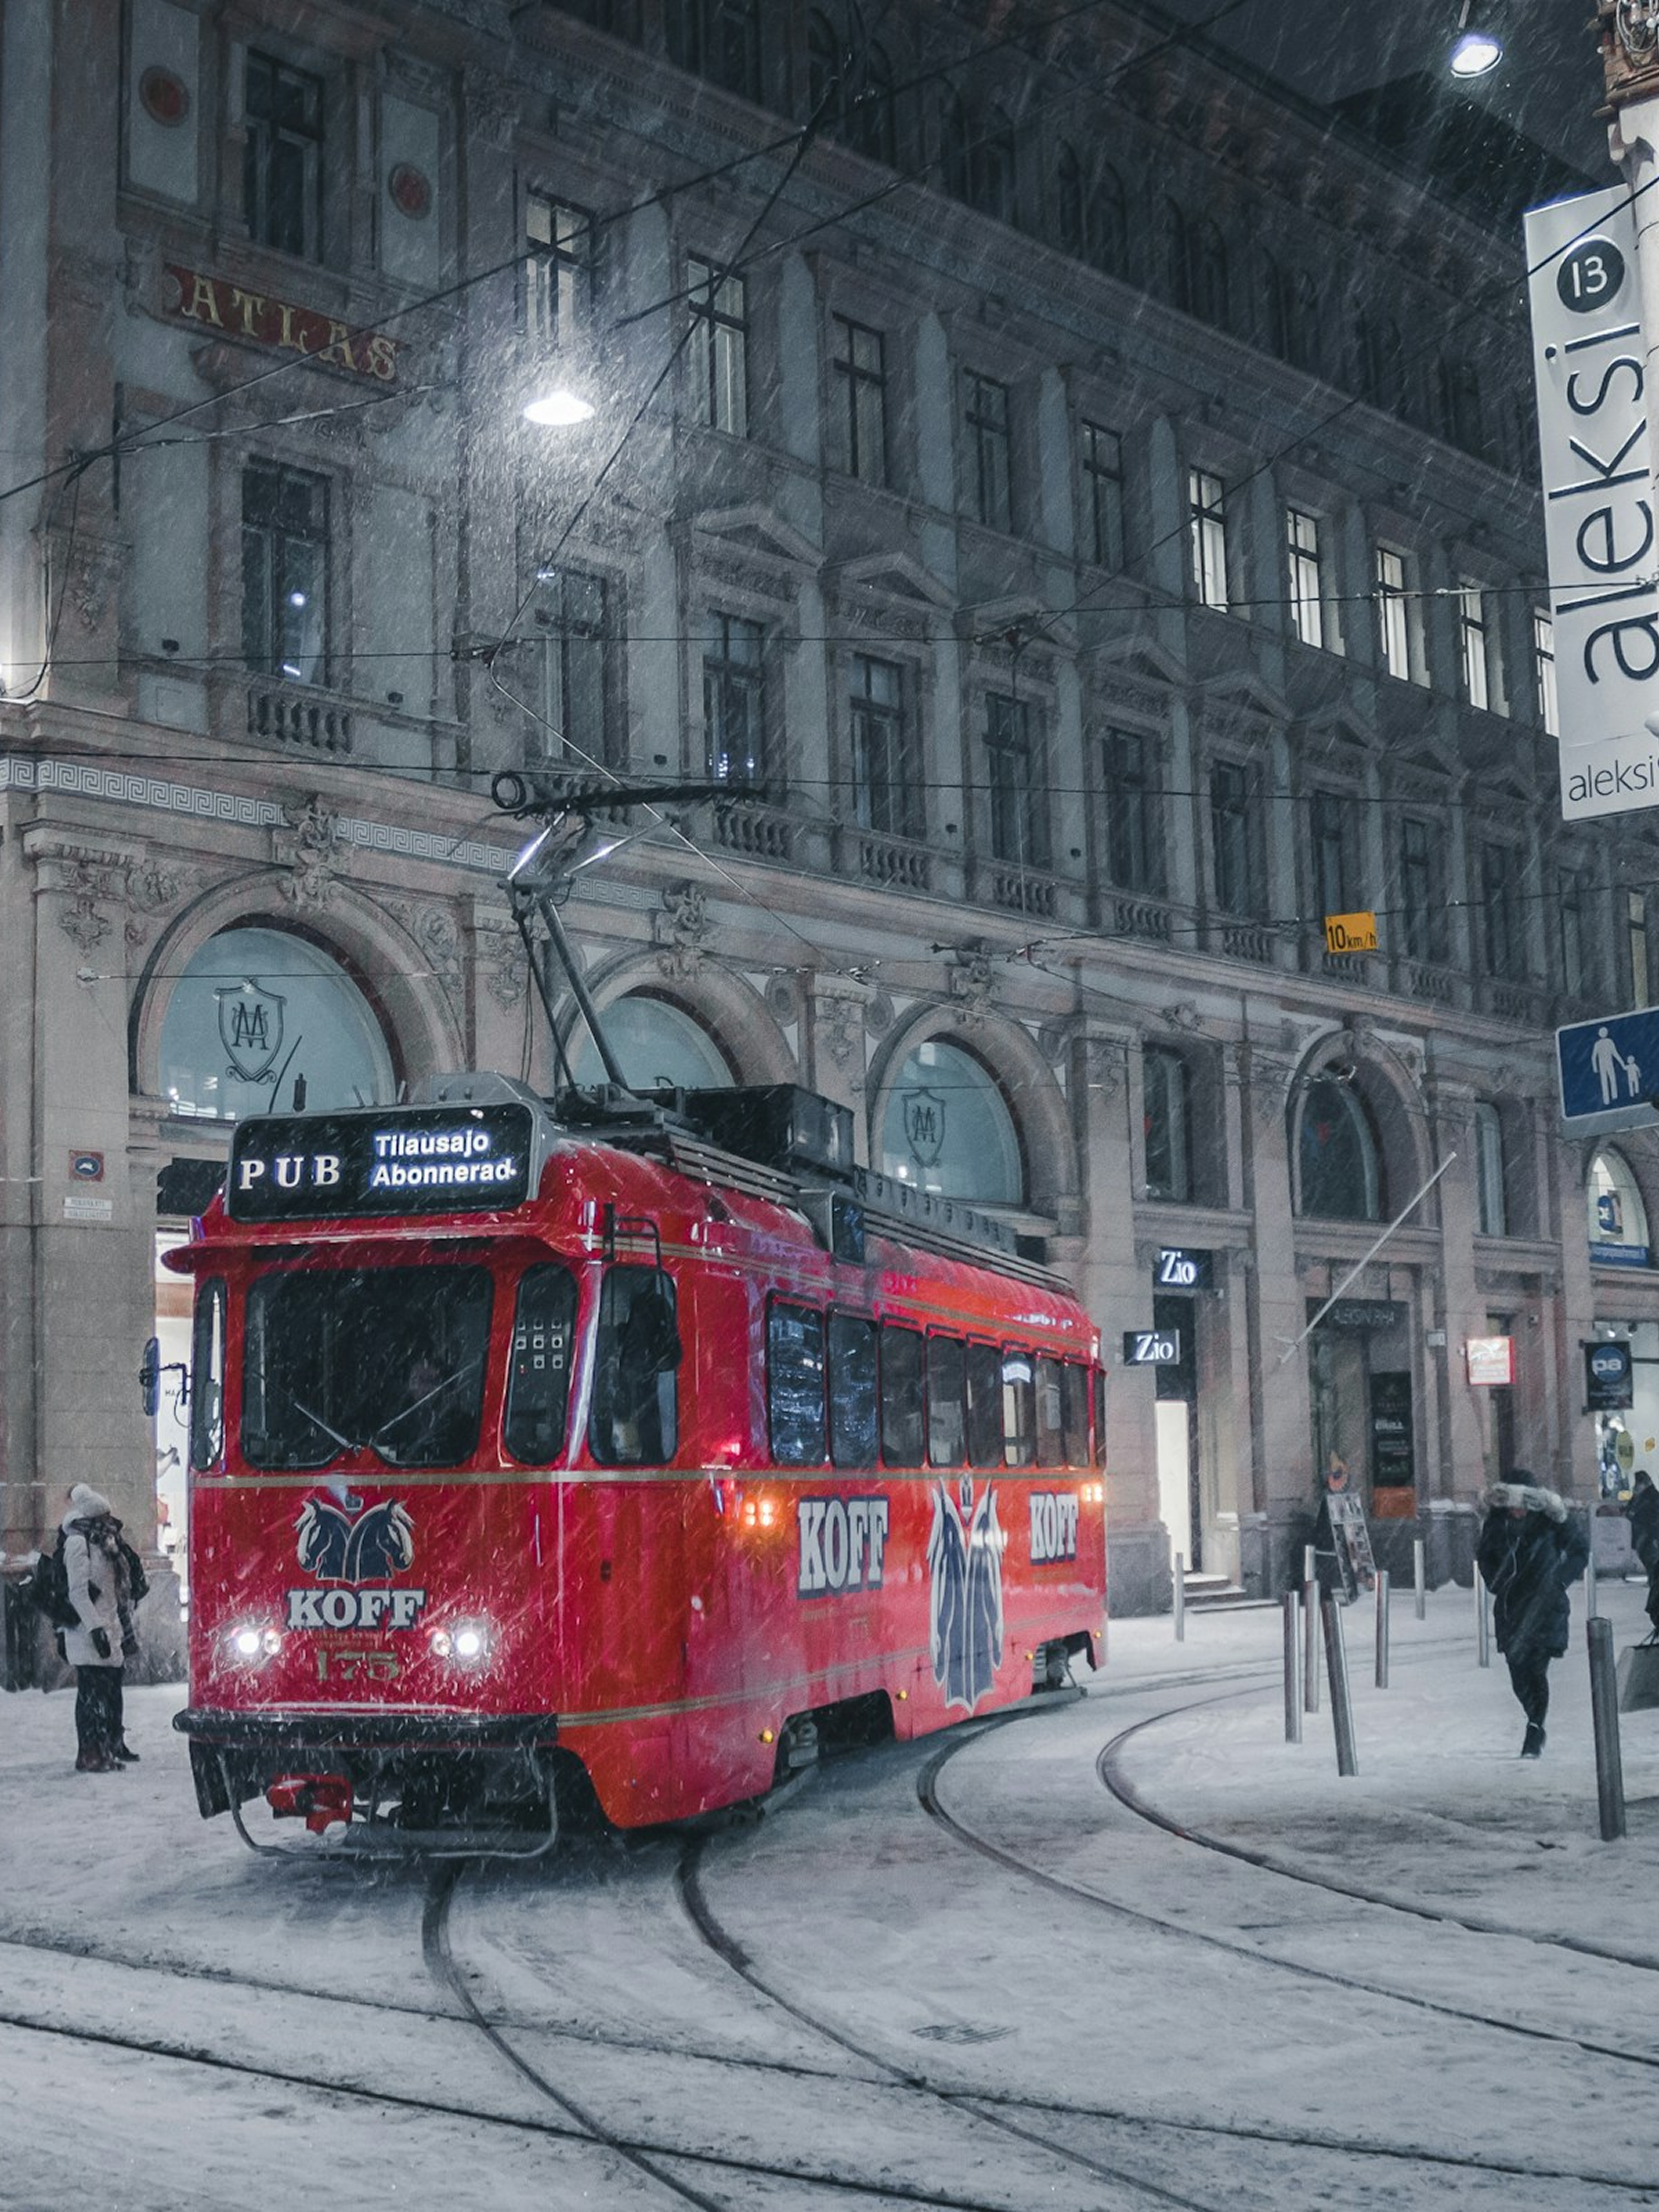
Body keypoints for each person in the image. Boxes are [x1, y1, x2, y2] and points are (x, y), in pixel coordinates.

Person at [1476, 1473, 1590, 1759]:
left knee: (1536, 1670)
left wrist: (1559, 1581)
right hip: (1511, 1609)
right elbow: (1485, 1556)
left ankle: (1535, 1729)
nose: (1518, 1510)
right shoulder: (1497, 1524)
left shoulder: (1551, 1522)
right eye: (1512, 1504)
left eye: (1523, 1504)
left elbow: (1580, 1550)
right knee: (1517, 1671)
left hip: (1545, 1608)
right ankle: (1534, 1718)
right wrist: (1496, 1582)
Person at [59, 1483, 140, 1774]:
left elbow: (114, 1588)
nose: (110, 1520)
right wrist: (95, 1629)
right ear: (93, 1517)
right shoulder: (78, 1544)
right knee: (91, 1695)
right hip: (87, 1631)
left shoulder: (105, 1545)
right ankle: (89, 1754)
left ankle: (105, 1749)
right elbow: (77, 1593)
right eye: (104, 1516)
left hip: (109, 1626)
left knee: (106, 1693)